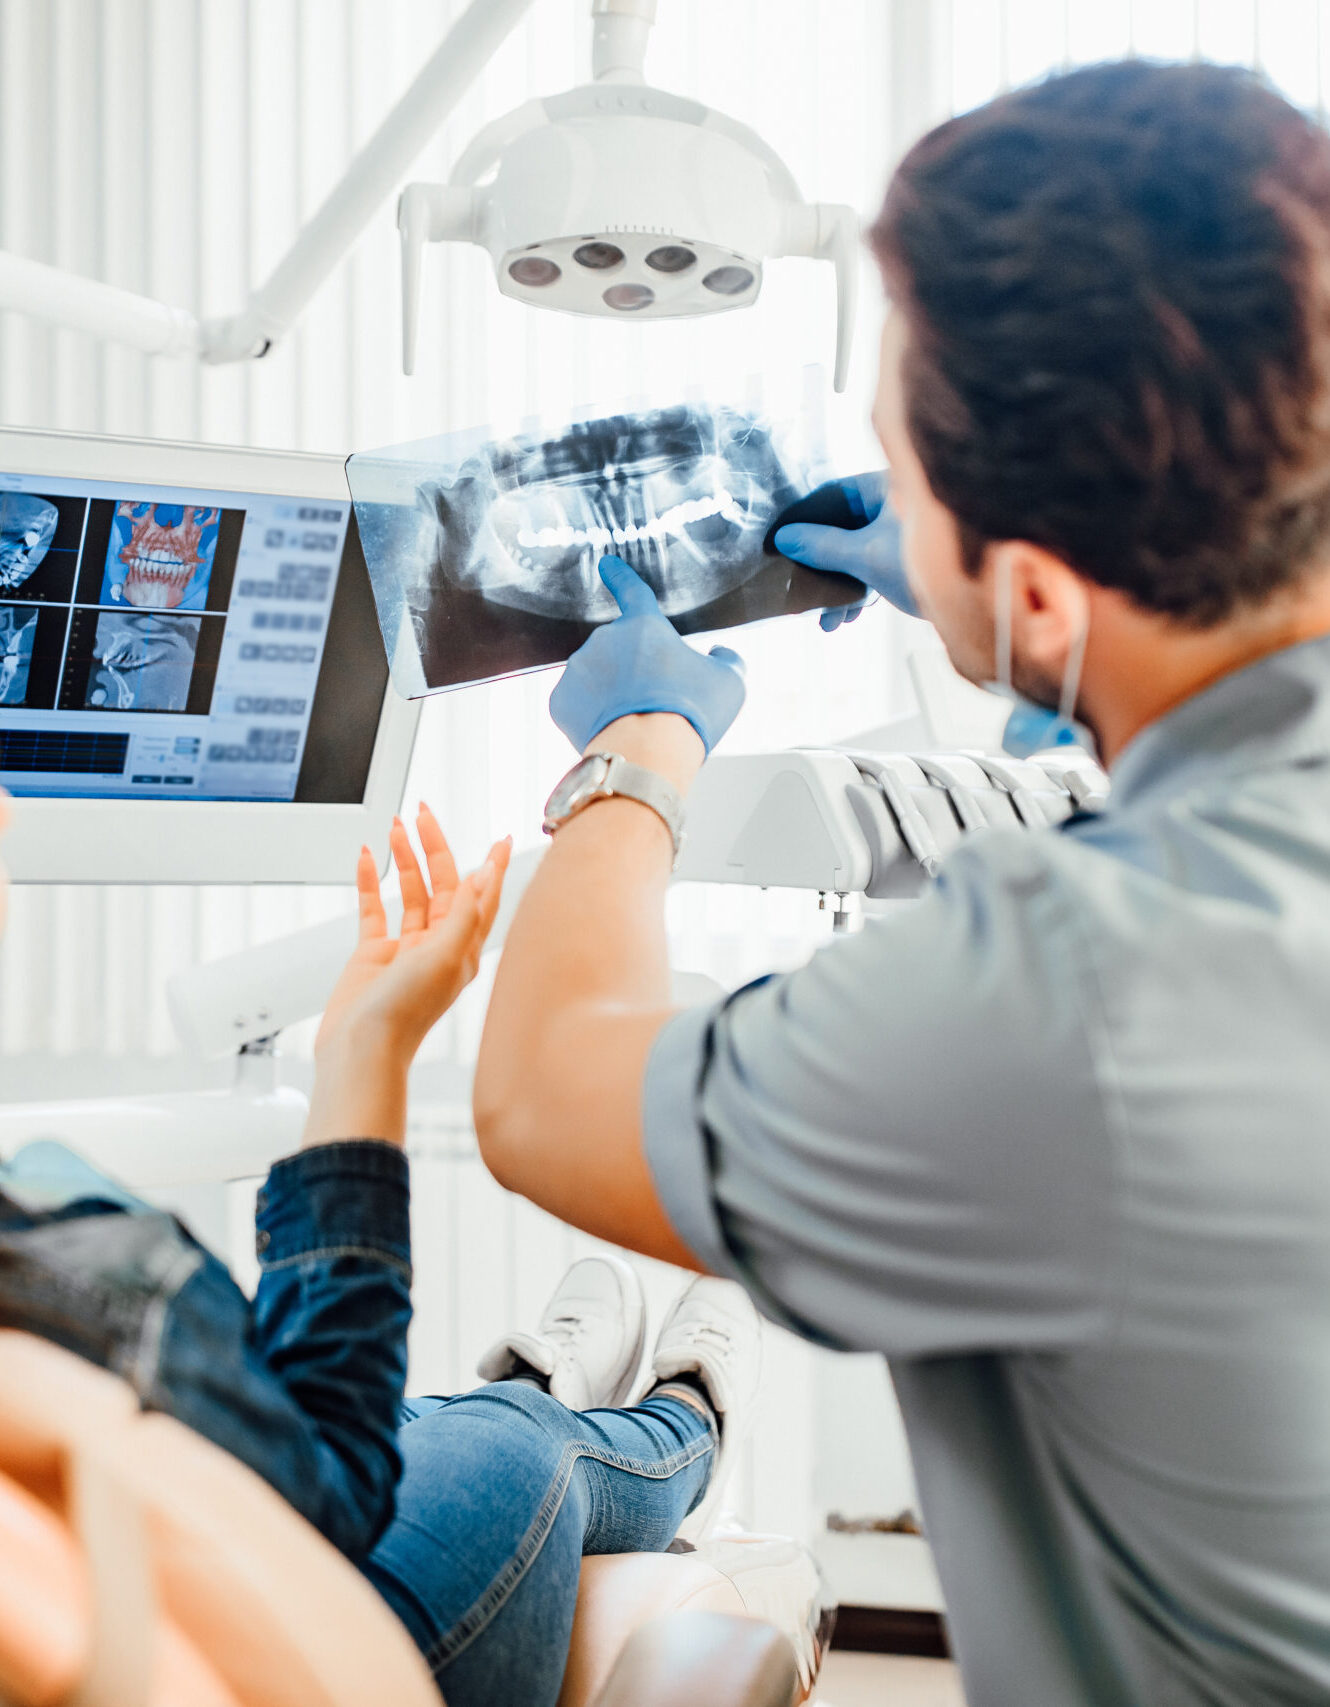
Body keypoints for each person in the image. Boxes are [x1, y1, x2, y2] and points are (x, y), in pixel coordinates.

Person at [472, 60, 1330, 1707]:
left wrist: (635, 755)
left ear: (1034, 583)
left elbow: (538, 1094)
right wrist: (1022, 627)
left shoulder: (1065, 995)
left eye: (901, 463)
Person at [0, 798, 763, 1707]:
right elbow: (317, 1512)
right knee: (504, 1441)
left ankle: (547, 1386)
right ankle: (686, 1423)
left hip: (171, 1518)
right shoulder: (67, 1281)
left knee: (409, 1418)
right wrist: (375, 1049)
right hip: (252, 1640)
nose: (10, 807)